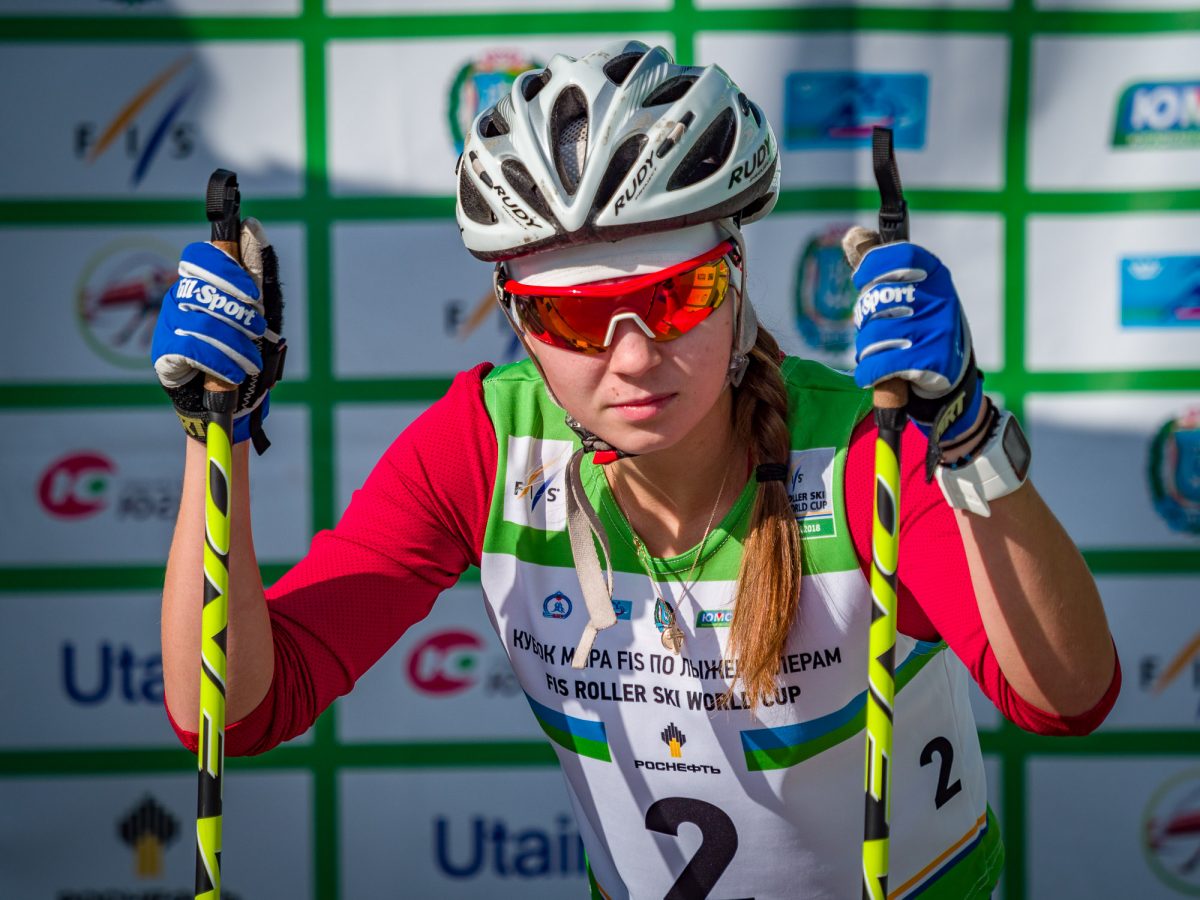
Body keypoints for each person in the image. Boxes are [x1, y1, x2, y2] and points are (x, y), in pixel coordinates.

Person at [154, 40, 1120, 899]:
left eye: (676, 295)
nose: (632, 357)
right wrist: (211, 435)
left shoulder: (860, 447)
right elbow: (232, 711)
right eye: (571, 317)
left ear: (735, 275)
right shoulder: (483, 446)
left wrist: (968, 439)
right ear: (516, 318)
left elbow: (1067, 697)